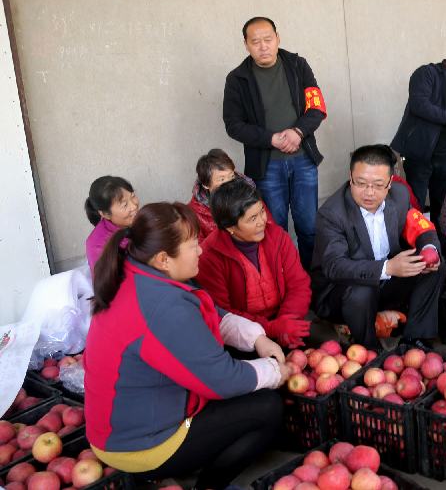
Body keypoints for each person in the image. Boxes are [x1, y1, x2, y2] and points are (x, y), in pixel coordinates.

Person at [84, 202, 291, 490]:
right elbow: (222, 381)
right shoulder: (162, 305)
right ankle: (209, 486)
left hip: (116, 427)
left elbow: (204, 313)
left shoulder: (136, 274)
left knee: (241, 359)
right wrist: (274, 372)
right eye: (193, 244)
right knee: (267, 408)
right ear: (164, 259)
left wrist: (257, 338)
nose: (201, 250)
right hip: (141, 444)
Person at [310, 145, 446, 349]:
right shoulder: (331, 214)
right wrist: (388, 268)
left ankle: (414, 338)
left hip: (382, 284)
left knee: (435, 263)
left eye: (378, 185)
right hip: (341, 295)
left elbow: (420, 227)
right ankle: (370, 351)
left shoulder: (399, 196)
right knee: (360, 292)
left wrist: (429, 250)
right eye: (361, 183)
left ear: (390, 183)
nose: (369, 192)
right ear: (350, 176)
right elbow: (335, 267)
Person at [223, 16, 327, 269]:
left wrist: (298, 132)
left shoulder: (297, 66)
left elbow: (316, 107)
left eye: (268, 39)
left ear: (278, 39)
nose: (263, 46)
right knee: (272, 231)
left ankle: (314, 286)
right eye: (255, 41)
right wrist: (270, 138)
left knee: (309, 228)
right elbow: (234, 125)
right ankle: (282, 284)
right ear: (246, 45)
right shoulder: (238, 79)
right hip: (266, 166)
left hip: (303, 161)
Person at [196, 179, 312, 350]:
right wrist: (269, 329)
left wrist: (286, 324)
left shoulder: (278, 237)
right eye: (252, 219)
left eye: (262, 212)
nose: (262, 222)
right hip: (242, 335)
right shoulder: (209, 256)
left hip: (285, 323)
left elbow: (299, 284)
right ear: (229, 227)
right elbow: (222, 313)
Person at [390, 47, 446, 231]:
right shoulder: (426, 74)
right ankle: (417, 250)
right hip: (420, 154)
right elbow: (419, 105)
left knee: (444, 207)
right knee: (414, 205)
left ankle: (442, 251)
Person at [189, 148, 273, 245]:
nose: (229, 183)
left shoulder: (250, 196)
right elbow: (199, 252)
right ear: (206, 184)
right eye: (221, 180)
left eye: (231, 176)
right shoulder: (194, 214)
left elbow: (272, 230)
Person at [85, 176, 139, 277]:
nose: (134, 206)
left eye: (133, 197)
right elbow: (107, 286)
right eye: (124, 205)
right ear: (105, 214)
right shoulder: (98, 246)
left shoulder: (141, 221)